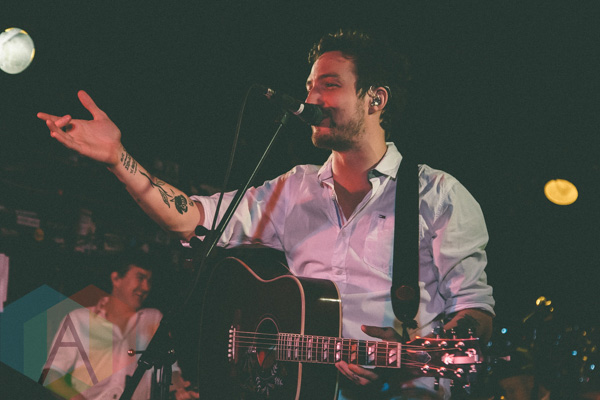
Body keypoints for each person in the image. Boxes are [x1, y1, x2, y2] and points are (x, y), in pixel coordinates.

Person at [38, 29, 494, 399]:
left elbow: (474, 311)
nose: (311, 98)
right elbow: (191, 218)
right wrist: (118, 159)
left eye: (329, 85)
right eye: (310, 85)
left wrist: (414, 352)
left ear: (375, 99)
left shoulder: (438, 195)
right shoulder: (294, 188)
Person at [40, 251, 199, 400]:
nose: (146, 287)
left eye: (149, 281)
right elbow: (51, 375)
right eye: (140, 277)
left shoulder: (153, 318)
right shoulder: (79, 319)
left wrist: (180, 390)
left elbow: (169, 369)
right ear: (116, 279)